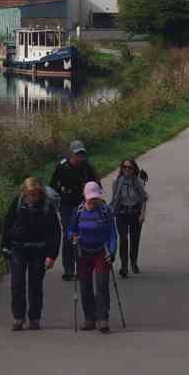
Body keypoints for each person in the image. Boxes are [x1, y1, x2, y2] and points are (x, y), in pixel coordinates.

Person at [1, 177, 62, 331]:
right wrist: (5, 247)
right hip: (18, 249)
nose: (32, 198)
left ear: (41, 193)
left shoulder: (47, 206)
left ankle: (34, 318)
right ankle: (18, 317)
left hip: (39, 250)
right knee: (17, 285)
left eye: (35, 194)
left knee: (35, 286)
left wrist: (52, 256)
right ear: (24, 192)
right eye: (29, 194)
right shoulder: (17, 203)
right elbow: (7, 224)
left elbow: (55, 232)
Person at [68, 181, 118, 333]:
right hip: (83, 253)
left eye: (95, 198)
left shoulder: (105, 211)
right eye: (90, 198)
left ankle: (103, 319)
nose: (93, 201)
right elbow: (70, 231)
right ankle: (89, 318)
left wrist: (112, 251)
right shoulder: (78, 211)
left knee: (102, 285)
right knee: (85, 287)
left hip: (101, 252)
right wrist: (73, 237)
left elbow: (112, 234)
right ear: (84, 196)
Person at [49, 139, 98, 280]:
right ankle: (68, 269)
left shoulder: (87, 167)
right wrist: (59, 194)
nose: (80, 156)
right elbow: (52, 185)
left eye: (82, 153)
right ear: (71, 153)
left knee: (81, 234)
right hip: (66, 204)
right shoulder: (62, 166)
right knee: (68, 236)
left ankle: (81, 267)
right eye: (77, 154)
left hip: (82, 204)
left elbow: (96, 184)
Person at [110, 158, 149, 278]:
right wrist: (111, 211)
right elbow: (115, 198)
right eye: (124, 167)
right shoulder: (117, 181)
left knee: (134, 239)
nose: (126, 169)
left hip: (135, 213)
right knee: (123, 239)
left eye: (129, 167)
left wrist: (142, 214)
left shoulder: (138, 182)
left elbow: (144, 198)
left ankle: (133, 262)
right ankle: (124, 266)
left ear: (134, 169)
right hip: (121, 213)